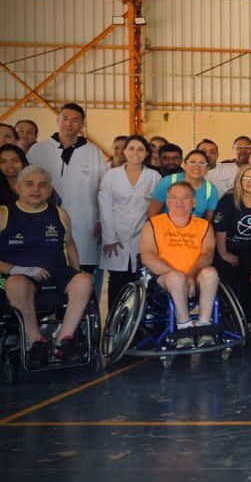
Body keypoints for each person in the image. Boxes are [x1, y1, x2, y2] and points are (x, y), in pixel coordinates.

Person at [0, 166, 93, 367]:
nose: (36, 189)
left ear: (49, 190)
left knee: (84, 280)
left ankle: (63, 341)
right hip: (16, 274)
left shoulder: (59, 214)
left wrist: (76, 271)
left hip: (56, 271)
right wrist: (14, 269)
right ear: (18, 187)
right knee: (16, 283)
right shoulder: (4, 213)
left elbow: (70, 244)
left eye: (42, 185)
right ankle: (36, 342)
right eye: (29, 184)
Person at [139, 181, 220, 349]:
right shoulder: (153, 224)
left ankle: (204, 327)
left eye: (185, 198)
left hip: (195, 280)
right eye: (174, 198)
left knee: (210, 272)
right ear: (167, 202)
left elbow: (207, 254)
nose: (179, 202)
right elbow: (148, 257)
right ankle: (184, 329)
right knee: (175, 278)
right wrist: (182, 277)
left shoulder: (204, 226)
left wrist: (191, 275)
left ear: (194, 202)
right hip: (163, 282)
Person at [27, 103, 107, 273]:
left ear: (82, 124)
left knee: (84, 270)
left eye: (75, 120)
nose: (69, 124)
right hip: (46, 221)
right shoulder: (39, 150)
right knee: (48, 269)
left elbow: (104, 189)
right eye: (65, 118)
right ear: (58, 120)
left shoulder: (93, 152)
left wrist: (102, 220)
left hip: (86, 223)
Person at [98, 135, 161, 304]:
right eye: (131, 148)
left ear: (146, 153)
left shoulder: (154, 176)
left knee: (142, 283)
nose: (135, 153)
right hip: (116, 237)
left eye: (140, 149)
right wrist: (110, 236)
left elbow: (159, 207)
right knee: (117, 282)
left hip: (143, 237)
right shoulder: (111, 176)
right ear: (124, 151)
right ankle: (114, 319)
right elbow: (105, 207)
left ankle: (139, 321)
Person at [213, 164, 251, 328]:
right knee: (230, 282)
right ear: (239, 180)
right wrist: (223, 253)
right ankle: (229, 321)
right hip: (229, 248)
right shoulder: (229, 200)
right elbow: (220, 229)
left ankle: (249, 320)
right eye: (246, 178)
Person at [148, 149, 219, 221]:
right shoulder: (168, 181)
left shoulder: (211, 190)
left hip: (195, 227)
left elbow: (208, 221)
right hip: (165, 226)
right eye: (192, 162)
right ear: (184, 165)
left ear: (207, 169)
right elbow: (152, 213)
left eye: (202, 163)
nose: (197, 166)